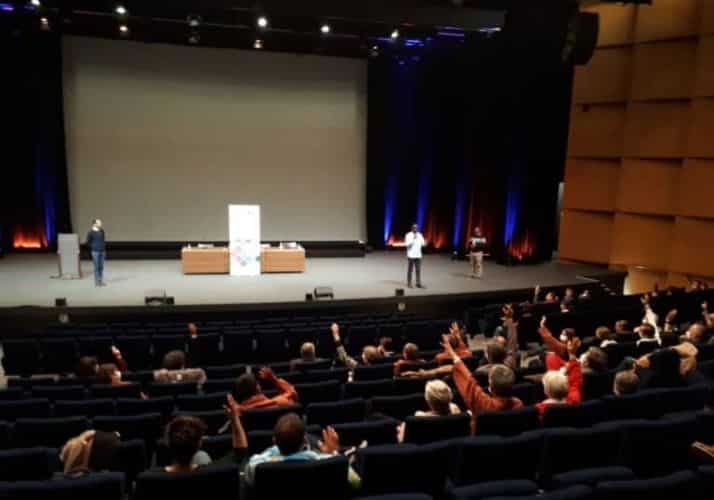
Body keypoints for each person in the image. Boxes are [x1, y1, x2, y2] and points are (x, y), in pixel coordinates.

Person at [244, 412, 360, 489]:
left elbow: (248, 474)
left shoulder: (258, 467)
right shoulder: (329, 463)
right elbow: (356, 482)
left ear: (274, 441)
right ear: (305, 440)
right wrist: (333, 453)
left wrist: (275, 448)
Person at [440, 334, 523, 434]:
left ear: (491, 387)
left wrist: (453, 354)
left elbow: (470, 382)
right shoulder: (519, 404)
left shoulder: (484, 404)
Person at [397, 379, 461, 442]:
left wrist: (403, 427)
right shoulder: (456, 411)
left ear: (428, 400)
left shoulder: (419, 417)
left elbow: (401, 440)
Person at [536, 340, 583, 418]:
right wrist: (572, 355)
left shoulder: (540, 408)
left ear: (546, 391)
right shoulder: (574, 399)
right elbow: (576, 380)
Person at [233, 367, 298, 411]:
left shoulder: (238, 412)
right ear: (258, 388)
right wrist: (274, 379)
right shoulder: (279, 403)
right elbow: (294, 394)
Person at [86, 218, 106, 287]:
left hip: (102, 251)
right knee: (96, 267)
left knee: (101, 267)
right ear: (94, 224)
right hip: (95, 252)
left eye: (100, 222)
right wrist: (94, 247)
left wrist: (103, 246)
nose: (101, 224)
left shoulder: (102, 231)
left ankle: (100, 280)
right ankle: (97, 282)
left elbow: (103, 239)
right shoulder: (90, 232)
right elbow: (88, 242)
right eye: (99, 222)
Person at [405, 223, 426, 288]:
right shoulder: (408, 235)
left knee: (418, 270)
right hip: (411, 255)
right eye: (414, 227)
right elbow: (407, 244)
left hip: (418, 255)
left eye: (416, 228)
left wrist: (424, 243)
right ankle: (409, 283)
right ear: (412, 228)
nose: (415, 229)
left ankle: (418, 283)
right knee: (410, 270)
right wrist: (413, 239)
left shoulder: (420, 235)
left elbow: (423, 244)